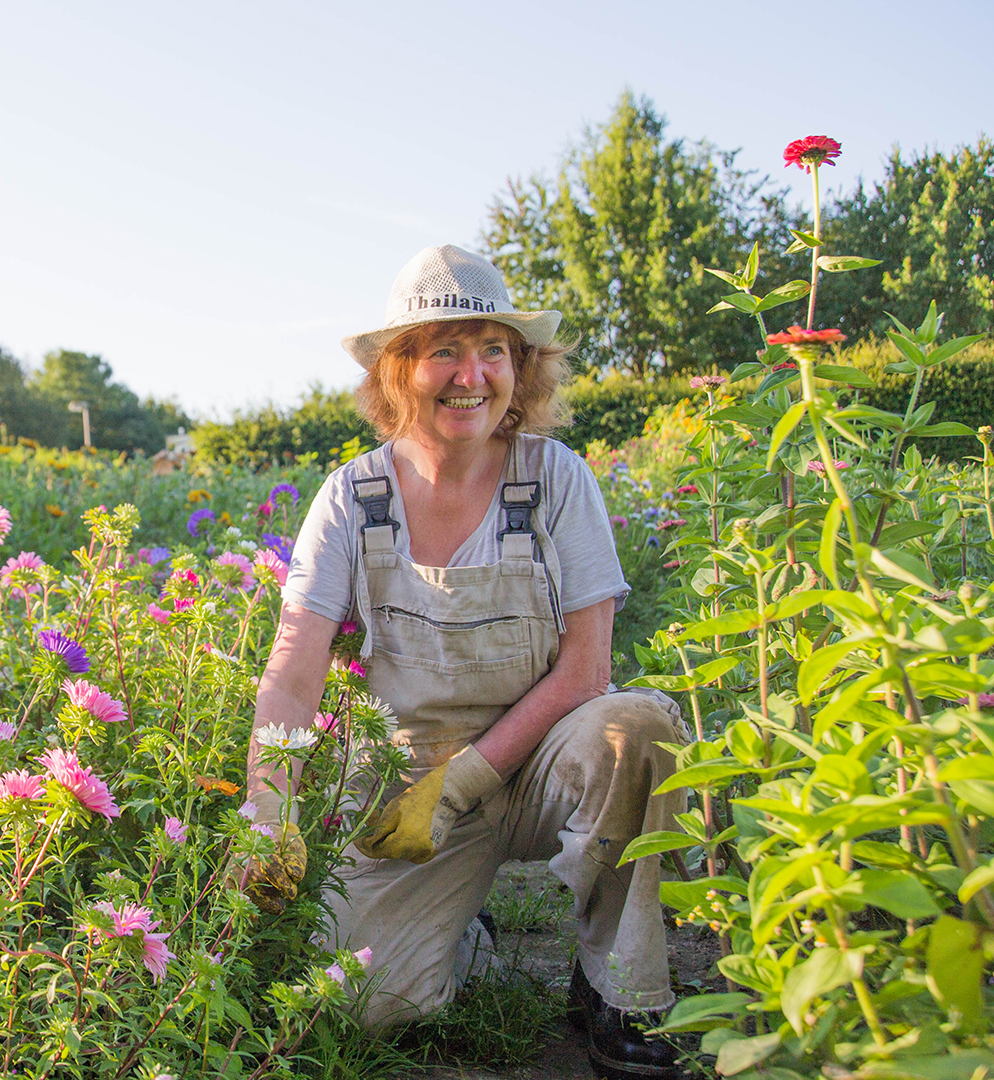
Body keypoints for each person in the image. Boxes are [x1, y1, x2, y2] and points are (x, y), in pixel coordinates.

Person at [243, 245, 686, 1080]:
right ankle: (463, 931)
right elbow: (296, 666)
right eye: (443, 348)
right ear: (396, 371)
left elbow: (587, 672)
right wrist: (268, 812)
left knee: (637, 729)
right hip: (410, 791)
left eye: (493, 350)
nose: (470, 375)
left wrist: (466, 784)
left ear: (522, 368)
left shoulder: (554, 481)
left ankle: (620, 990)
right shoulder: (352, 499)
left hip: (547, 759)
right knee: (363, 1009)